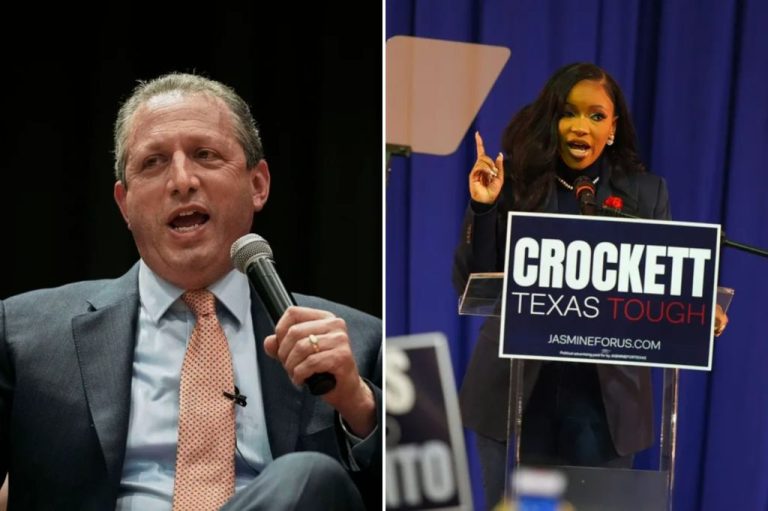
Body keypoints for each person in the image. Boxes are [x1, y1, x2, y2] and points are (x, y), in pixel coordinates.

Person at [0, 73, 381, 510]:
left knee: (308, 477)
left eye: (205, 155)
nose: (182, 180)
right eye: (154, 162)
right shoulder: (24, 336)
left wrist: (359, 404)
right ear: (124, 204)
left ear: (258, 185)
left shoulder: (358, 342)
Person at [452, 62, 728, 508]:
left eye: (596, 115)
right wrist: (484, 209)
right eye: (569, 113)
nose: (582, 126)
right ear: (552, 120)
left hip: (605, 409)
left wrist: (699, 308)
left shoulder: (645, 195)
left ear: (613, 128)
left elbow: (664, 282)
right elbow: (471, 283)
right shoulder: (515, 185)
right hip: (516, 399)